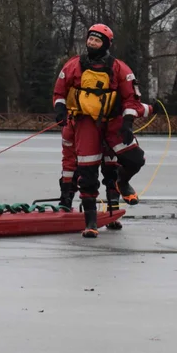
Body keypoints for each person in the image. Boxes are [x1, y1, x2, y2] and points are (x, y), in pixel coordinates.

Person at [53, 23, 156, 238]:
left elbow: (131, 99)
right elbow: (59, 91)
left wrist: (127, 123)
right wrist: (61, 109)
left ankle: (122, 181)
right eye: (90, 39)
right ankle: (90, 222)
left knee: (136, 159)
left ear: (106, 44)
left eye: (97, 40)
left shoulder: (119, 68)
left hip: (113, 121)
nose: (92, 43)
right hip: (85, 122)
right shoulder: (74, 66)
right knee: (88, 171)